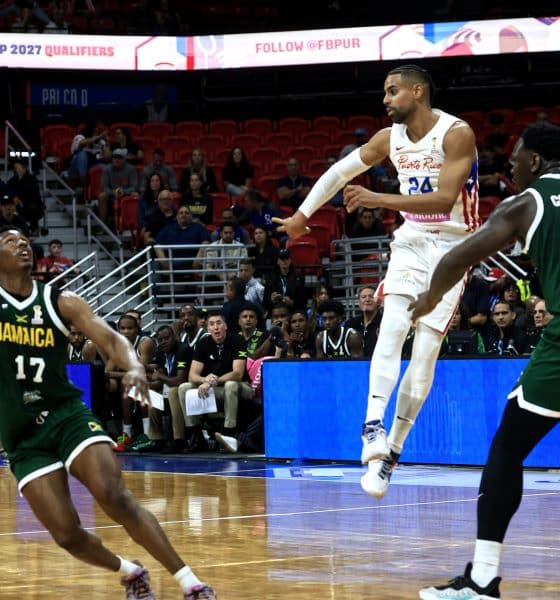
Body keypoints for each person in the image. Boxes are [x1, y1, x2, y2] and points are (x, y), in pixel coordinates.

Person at [272, 64, 479, 499]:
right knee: (391, 327)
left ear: (417, 92)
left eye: (392, 91)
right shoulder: (389, 138)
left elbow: (443, 201)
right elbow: (338, 173)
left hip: (454, 249)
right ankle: (371, 427)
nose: (385, 100)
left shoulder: (456, 133)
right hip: (411, 241)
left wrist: (377, 198)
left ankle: (392, 456)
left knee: (423, 358)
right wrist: (301, 217)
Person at [0, 225, 216, 599]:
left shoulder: (60, 301)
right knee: (66, 534)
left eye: (24, 240)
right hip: (21, 435)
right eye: (8, 241)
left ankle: (190, 583)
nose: (21, 244)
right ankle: (129, 572)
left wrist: (132, 366)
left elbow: (112, 339)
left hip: (65, 415)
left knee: (113, 493)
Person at [412, 122, 560, 599]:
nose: (510, 166)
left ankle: (482, 580)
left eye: (516, 157)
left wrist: (429, 297)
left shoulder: (526, 204)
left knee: (507, 447)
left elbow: (457, 258)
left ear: (534, 162)